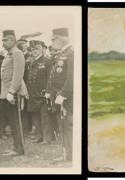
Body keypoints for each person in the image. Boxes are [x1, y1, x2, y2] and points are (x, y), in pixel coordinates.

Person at [0, 30, 28, 156]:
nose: (3, 42)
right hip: (7, 93)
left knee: (16, 122)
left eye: (5, 40)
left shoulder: (17, 53)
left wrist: (11, 91)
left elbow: (18, 74)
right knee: (12, 121)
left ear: (12, 40)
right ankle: (15, 147)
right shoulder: (9, 54)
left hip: (13, 93)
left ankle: (19, 149)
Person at [47, 27, 74, 161]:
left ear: (63, 38)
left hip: (67, 97)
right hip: (59, 96)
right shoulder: (61, 53)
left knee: (67, 125)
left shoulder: (72, 53)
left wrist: (63, 94)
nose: (52, 41)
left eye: (54, 39)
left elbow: (71, 78)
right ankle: (66, 153)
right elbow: (54, 76)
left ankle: (69, 154)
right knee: (62, 125)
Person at [25, 40, 54, 143]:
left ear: (42, 48)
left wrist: (48, 92)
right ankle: (38, 137)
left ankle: (47, 138)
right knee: (35, 116)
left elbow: (51, 78)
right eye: (32, 50)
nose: (35, 51)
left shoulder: (47, 61)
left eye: (37, 49)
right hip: (33, 94)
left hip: (43, 94)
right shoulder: (31, 62)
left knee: (45, 116)